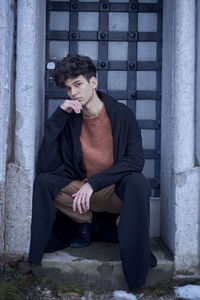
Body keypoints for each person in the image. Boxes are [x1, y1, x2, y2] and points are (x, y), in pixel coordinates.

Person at [29, 54, 156, 290]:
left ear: (93, 82)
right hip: (83, 194)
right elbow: (46, 166)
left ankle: (137, 277)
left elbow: (136, 160)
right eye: (68, 88)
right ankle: (89, 222)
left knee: (138, 182)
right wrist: (58, 116)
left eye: (78, 84)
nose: (73, 92)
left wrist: (95, 182)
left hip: (114, 192)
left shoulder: (121, 115)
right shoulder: (69, 120)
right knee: (44, 182)